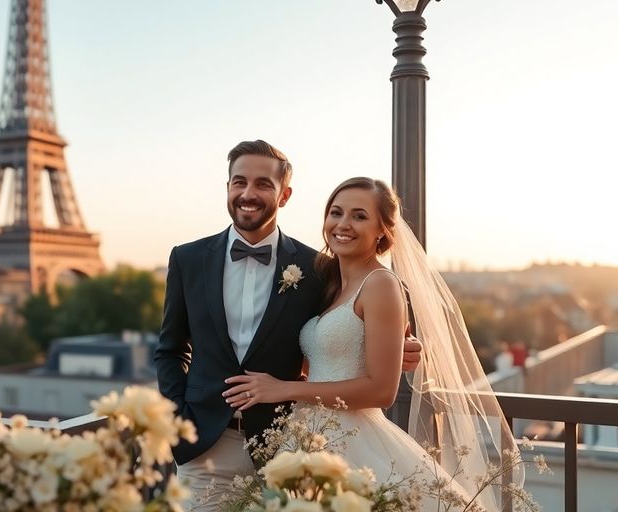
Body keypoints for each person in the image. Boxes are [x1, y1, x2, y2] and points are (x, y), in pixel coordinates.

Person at [223, 177, 523, 510]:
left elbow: (382, 391)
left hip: (356, 442)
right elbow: (326, 357)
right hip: (308, 436)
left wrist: (284, 389)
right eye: (336, 213)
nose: (343, 224)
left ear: (383, 230)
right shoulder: (329, 284)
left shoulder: (380, 284)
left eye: (359, 216)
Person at [153, 143, 423, 511]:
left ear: (284, 195)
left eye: (263, 184)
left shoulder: (318, 269)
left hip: (287, 445)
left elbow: (346, 334)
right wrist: (177, 421)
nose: (248, 194)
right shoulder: (187, 259)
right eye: (239, 182)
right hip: (206, 448)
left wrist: (398, 349)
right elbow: (170, 349)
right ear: (228, 187)